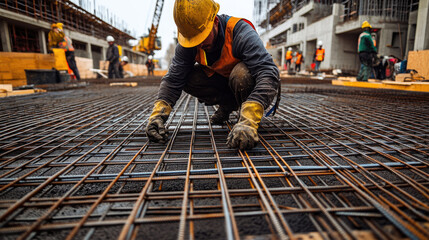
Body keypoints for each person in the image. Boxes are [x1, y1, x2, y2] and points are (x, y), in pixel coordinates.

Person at [145, 0, 280, 151]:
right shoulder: (190, 42)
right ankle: (228, 105)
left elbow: (268, 72)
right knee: (188, 78)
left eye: (202, 37)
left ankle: (247, 118)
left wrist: (249, 119)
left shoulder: (240, 32)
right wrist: (157, 116)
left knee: (241, 75)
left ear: (215, 22)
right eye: (194, 40)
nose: (199, 44)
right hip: (225, 83)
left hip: (245, 85)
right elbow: (173, 79)